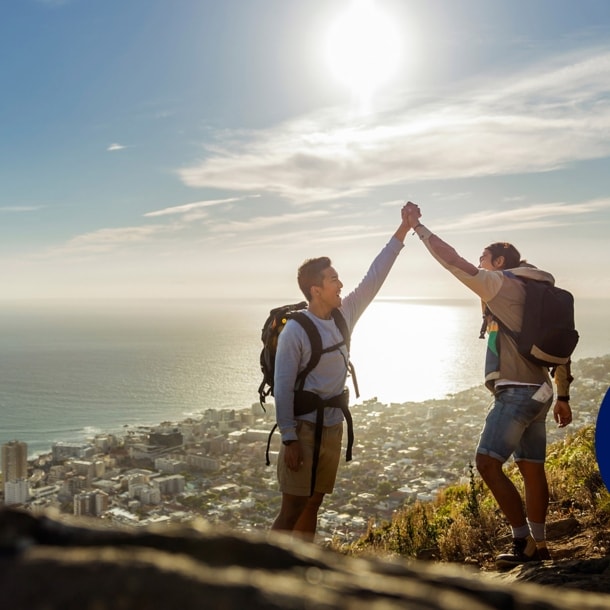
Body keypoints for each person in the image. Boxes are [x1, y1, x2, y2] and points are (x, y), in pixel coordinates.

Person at [403, 202, 573, 568]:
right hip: (541, 393)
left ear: (498, 263)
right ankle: (542, 546)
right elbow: (560, 343)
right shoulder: (535, 291)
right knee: (532, 468)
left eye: (484, 258)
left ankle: (522, 542)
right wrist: (562, 395)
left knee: (487, 463)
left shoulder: (500, 284)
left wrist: (419, 229)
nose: (478, 264)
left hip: (516, 393)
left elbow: (453, 262)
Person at [271, 204, 413, 541]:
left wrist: (403, 230)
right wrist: (289, 438)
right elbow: (282, 386)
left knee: (314, 501)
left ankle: (300, 564)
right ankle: (263, 572)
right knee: (292, 505)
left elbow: (374, 277)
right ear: (315, 289)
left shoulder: (342, 314)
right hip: (303, 430)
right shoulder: (296, 330)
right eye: (333, 279)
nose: (341, 284)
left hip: (332, 425)